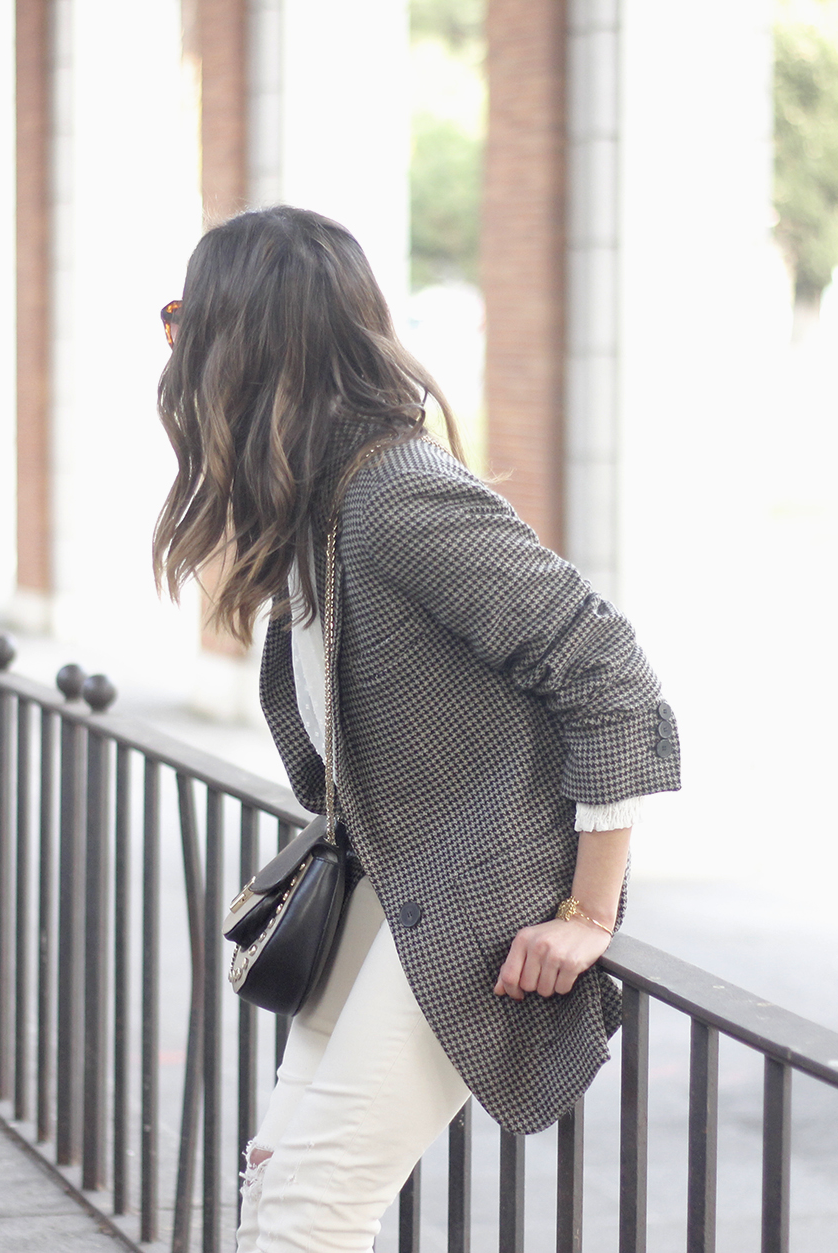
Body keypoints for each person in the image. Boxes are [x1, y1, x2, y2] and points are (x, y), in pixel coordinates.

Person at [152, 205, 680, 1253]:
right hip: (391, 878)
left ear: (248, 343)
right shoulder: (320, 505)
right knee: (277, 1187)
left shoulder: (396, 495)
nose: (174, 355)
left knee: (307, 1213)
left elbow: (609, 672)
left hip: (478, 894)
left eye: (185, 323)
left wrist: (588, 908)